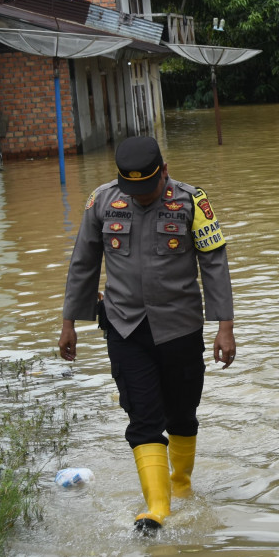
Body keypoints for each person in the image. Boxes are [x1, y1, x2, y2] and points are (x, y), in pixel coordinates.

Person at [58, 136, 235, 533]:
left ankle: (180, 485)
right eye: (131, 189)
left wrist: (224, 326)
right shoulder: (102, 202)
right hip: (125, 327)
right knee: (143, 418)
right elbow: (83, 262)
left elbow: (214, 263)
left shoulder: (193, 202)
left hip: (181, 328)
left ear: (165, 172)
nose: (140, 197)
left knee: (182, 414)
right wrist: (70, 320)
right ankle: (156, 508)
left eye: (148, 188)